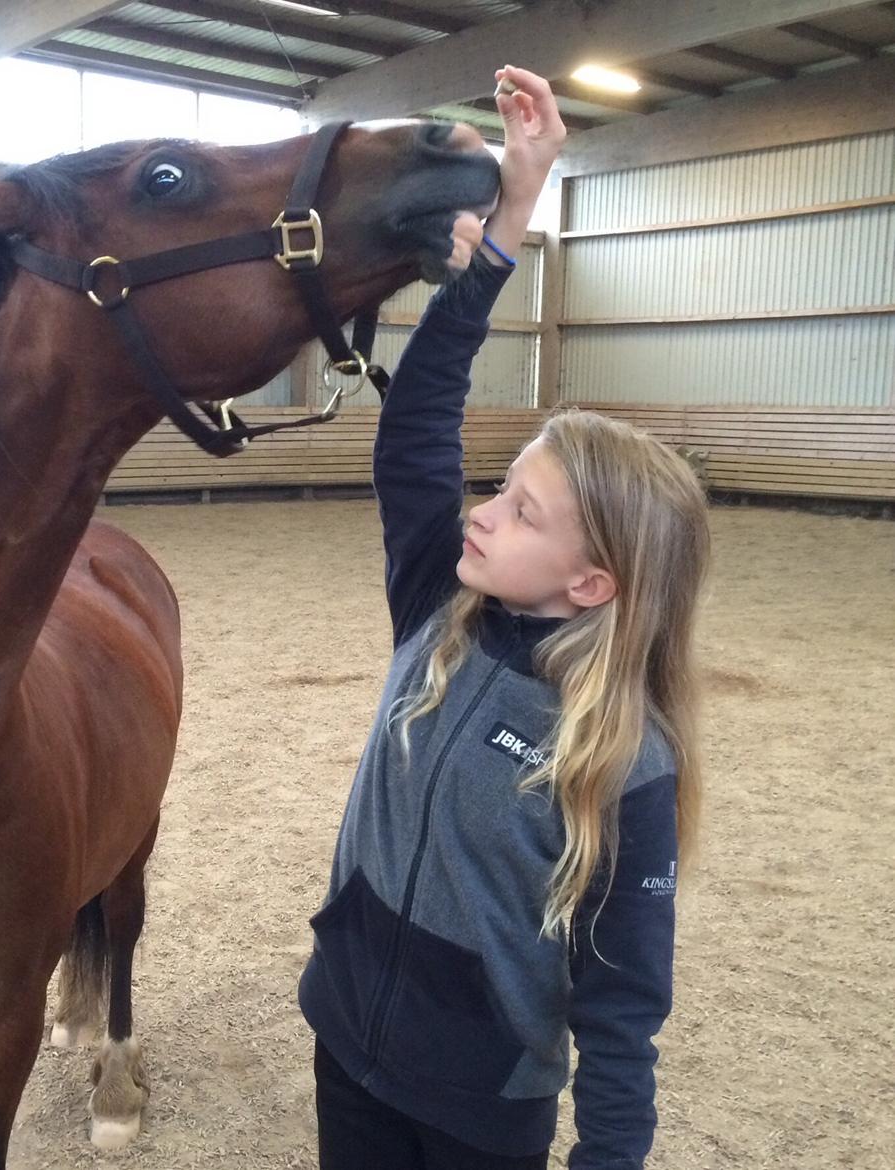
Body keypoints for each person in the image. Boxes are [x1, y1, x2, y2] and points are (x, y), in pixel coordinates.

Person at [298, 66, 710, 1170]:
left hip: (481, 1111)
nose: (481, 515)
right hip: (347, 1048)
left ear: (592, 585)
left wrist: (609, 1158)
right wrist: (510, 219)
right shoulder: (439, 602)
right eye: (497, 488)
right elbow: (419, 420)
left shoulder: (628, 760)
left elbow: (624, 1005)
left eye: (521, 513)